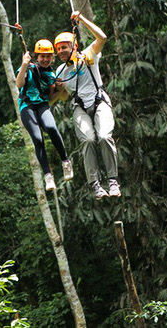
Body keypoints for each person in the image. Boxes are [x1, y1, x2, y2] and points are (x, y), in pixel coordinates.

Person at [53, 11, 121, 200]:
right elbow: (63, 97)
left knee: (105, 136)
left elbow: (102, 37)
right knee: (89, 140)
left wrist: (81, 19)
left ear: (74, 46)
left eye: (64, 47)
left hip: (99, 101)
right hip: (79, 107)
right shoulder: (60, 71)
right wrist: (56, 91)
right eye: (58, 49)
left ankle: (113, 181)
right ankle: (96, 184)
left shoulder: (88, 55)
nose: (60, 52)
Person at [16, 39, 73, 191]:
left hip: (42, 105)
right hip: (27, 106)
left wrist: (60, 88)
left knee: (51, 127)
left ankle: (66, 162)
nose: (45, 59)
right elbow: (19, 84)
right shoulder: (29, 68)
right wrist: (23, 64)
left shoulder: (51, 75)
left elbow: (58, 98)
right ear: (37, 56)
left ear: (52, 58)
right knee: (37, 138)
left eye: (48, 56)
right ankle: (48, 176)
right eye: (42, 56)